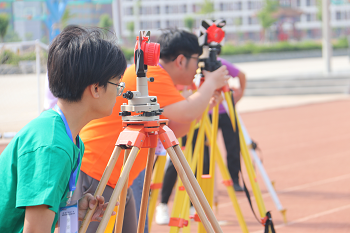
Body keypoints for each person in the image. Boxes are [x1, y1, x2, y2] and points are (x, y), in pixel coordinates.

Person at [73, 28, 228, 233]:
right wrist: (211, 83)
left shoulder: (160, 79)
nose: (197, 69)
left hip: (117, 176)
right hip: (99, 171)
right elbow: (188, 112)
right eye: (196, 61)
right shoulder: (152, 75)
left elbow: (172, 129)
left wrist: (205, 102)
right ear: (181, 60)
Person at [0, 25, 127, 233]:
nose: (119, 93)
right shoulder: (52, 146)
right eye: (117, 85)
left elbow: (33, 218)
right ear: (96, 88)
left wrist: (74, 211)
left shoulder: (65, 137)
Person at [155, 56, 246, 225]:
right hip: (186, 117)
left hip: (203, 116)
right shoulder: (180, 70)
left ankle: (194, 206)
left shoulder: (218, 64)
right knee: (176, 163)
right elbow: (183, 102)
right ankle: (163, 204)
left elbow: (241, 75)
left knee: (204, 161)